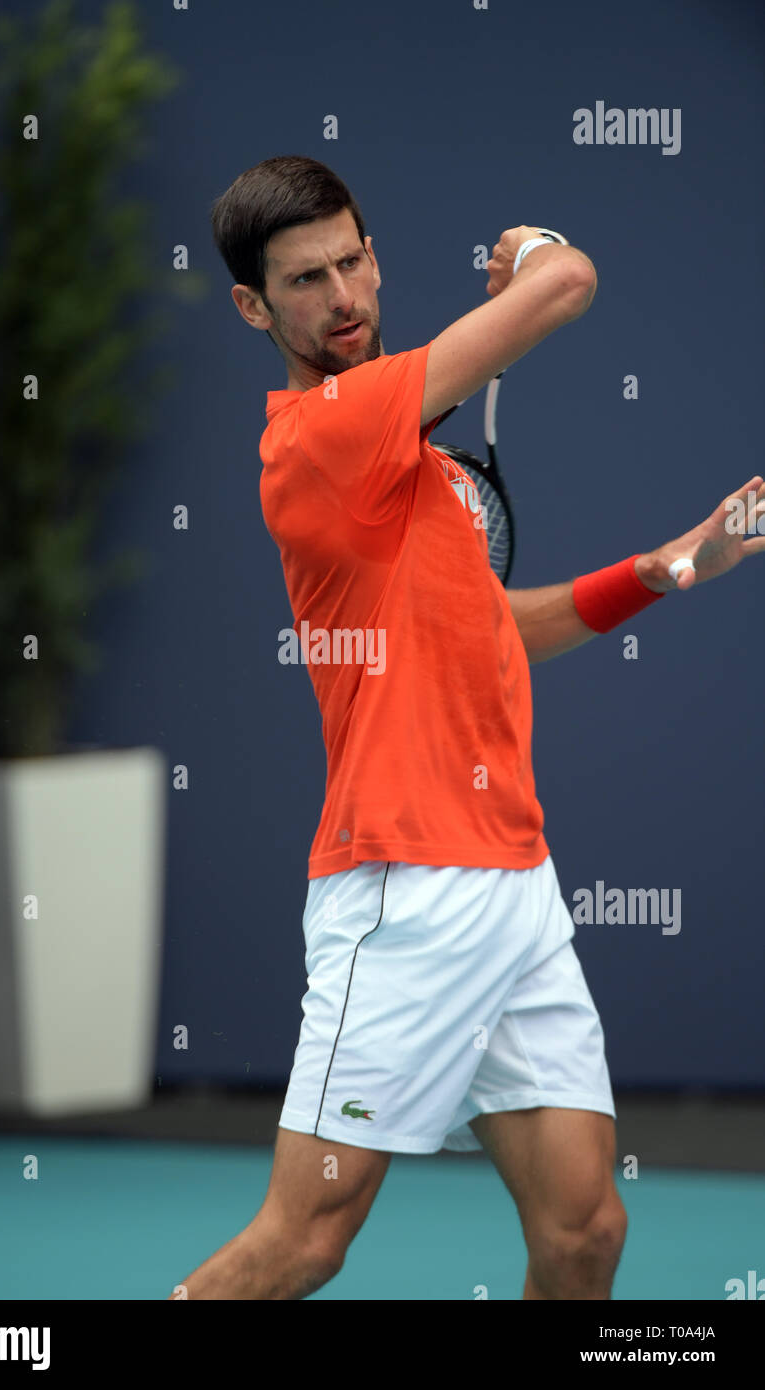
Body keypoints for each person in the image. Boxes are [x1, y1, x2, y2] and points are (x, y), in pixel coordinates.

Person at [169, 155, 764, 1301]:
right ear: (253, 307)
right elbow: (563, 286)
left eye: (352, 260)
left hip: (515, 881)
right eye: (304, 280)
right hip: (401, 889)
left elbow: (493, 629)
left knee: (583, 1226)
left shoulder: (424, 466)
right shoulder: (321, 436)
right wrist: (532, 246)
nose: (341, 296)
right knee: (302, 1241)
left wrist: (669, 565)